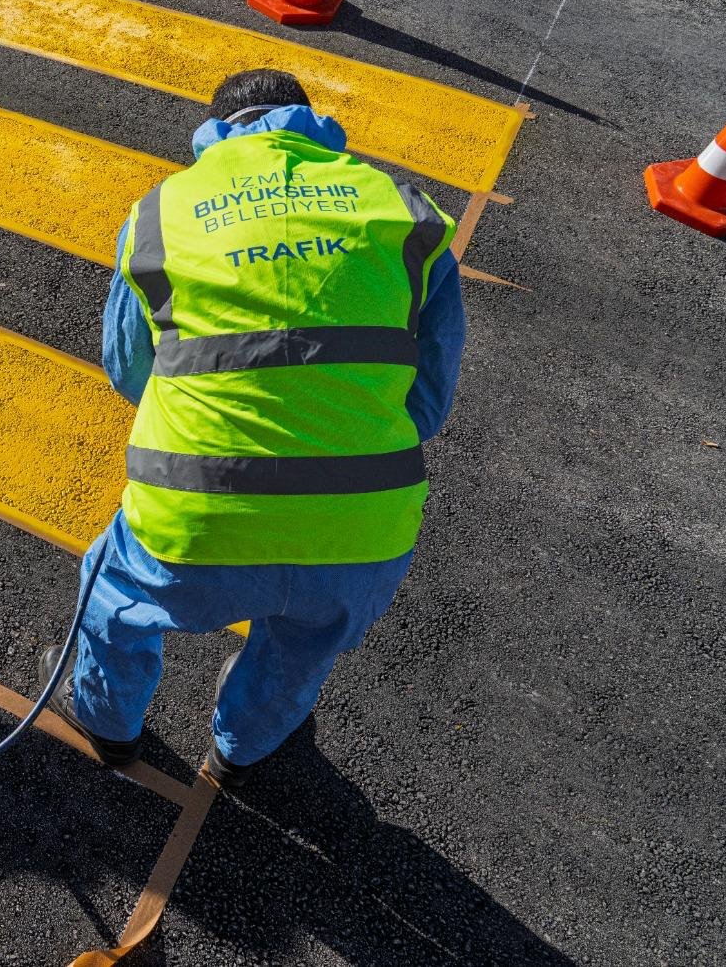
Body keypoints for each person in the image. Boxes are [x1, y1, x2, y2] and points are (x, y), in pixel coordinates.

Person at [41, 68, 465, 789]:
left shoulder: (162, 211)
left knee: (115, 600)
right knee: (303, 648)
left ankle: (108, 725)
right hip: (363, 522)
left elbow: (128, 369)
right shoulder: (406, 211)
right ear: (312, 125)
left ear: (214, 132)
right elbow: (429, 397)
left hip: (197, 509)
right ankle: (240, 749)